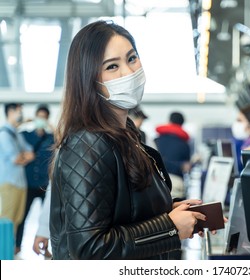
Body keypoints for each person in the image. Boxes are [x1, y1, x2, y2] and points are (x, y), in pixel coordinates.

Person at [49, 20, 208, 260]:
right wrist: (168, 227)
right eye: (112, 66)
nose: (129, 72)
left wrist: (171, 212)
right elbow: (89, 249)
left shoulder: (126, 135)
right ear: (89, 79)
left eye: (132, 58)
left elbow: (124, 210)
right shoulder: (87, 144)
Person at [14, 104, 55, 256]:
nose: (41, 120)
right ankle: (17, 246)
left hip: (45, 184)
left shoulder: (52, 137)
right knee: (23, 217)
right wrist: (26, 120)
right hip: (29, 184)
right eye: (39, 116)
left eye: (44, 117)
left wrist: (50, 126)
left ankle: (47, 248)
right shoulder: (26, 134)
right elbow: (13, 131)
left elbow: (63, 139)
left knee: (49, 217)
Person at [0, 103, 35, 242]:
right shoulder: (4, 133)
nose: (21, 115)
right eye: (19, 111)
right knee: (7, 220)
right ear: (10, 112)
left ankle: (9, 253)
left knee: (17, 219)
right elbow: (16, 159)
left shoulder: (16, 133)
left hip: (20, 183)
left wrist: (23, 156)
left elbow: (30, 152)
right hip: (9, 182)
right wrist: (23, 156)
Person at [154, 112, 191, 199]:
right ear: (182, 124)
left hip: (157, 182)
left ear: (169, 121)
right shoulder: (184, 144)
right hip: (176, 182)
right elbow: (186, 166)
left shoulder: (156, 140)